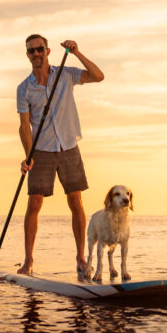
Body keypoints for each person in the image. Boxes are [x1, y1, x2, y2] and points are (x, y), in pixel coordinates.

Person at [16, 34, 104, 279]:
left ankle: (80, 257)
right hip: (41, 150)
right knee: (34, 203)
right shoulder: (24, 88)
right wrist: (28, 156)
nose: (36, 54)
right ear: (27, 56)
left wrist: (76, 52)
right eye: (31, 51)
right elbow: (24, 126)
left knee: (75, 201)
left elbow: (98, 76)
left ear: (48, 50)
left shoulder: (65, 74)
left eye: (39, 49)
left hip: (68, 146)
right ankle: (29, 261)